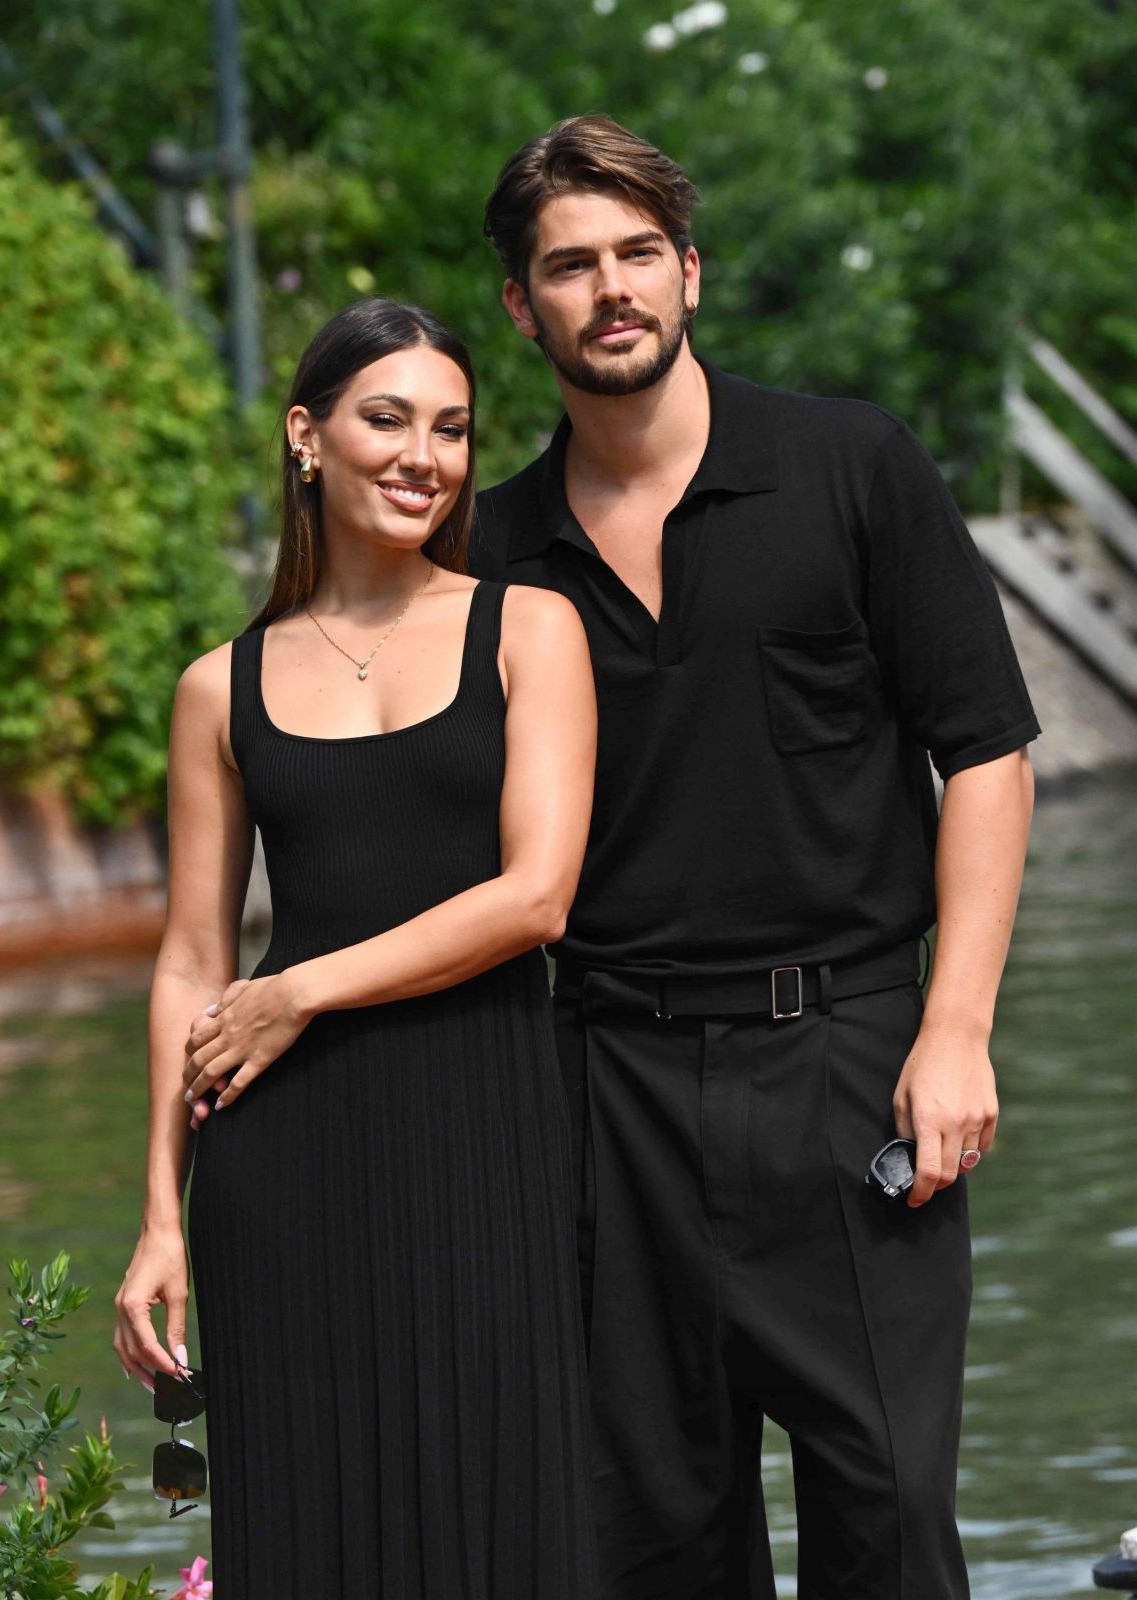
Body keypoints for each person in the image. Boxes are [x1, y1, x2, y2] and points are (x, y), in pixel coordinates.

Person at [473, 116, 1038, 1600]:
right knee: (646, 1538)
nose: (613, 290)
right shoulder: (489, 556)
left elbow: (982, 751)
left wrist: (957, 1027)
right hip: (602, 1092)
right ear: (522, 308)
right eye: (571, 266)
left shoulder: (851, 467)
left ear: (691, 274)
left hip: (848, 1062)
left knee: (893, 1517)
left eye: (639, 255)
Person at [113, 298, 599, 1599]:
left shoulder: (530, 627)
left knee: (504, 1511)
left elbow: (536, 897)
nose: (422, 456)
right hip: (279, 1170)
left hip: (484, 1131)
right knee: (308, 1529)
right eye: (386, 418)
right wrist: (162, 1218)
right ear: (306, 438)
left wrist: (298, 993)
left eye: (450, 428)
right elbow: (187, 960)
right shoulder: (222, 686)